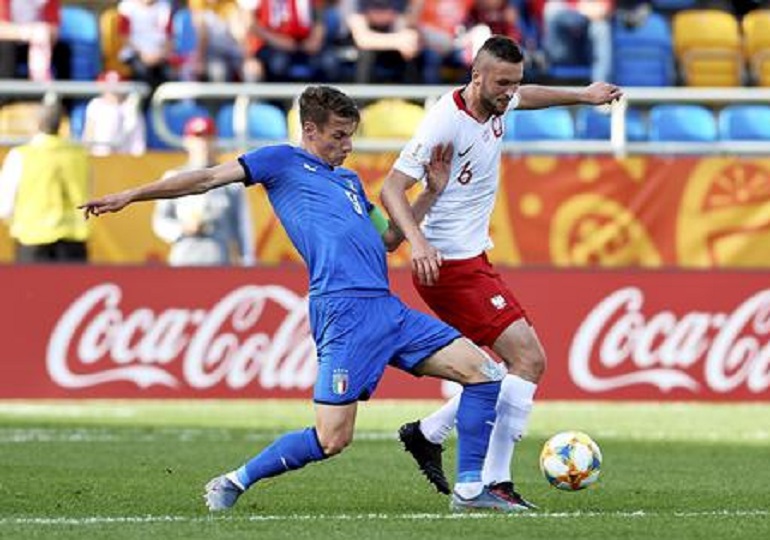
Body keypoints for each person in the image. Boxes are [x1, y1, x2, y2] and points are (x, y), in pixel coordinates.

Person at [79, 85, 524, 513]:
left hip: (388, 309)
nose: (347, 146)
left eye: (350, 135)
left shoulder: (349, 182)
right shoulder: (280, 161)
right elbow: (208, 178)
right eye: (337, 136)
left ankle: (469, 489)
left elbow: (389, 240)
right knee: (333, 439)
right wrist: (131, 195)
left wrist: (431, 190)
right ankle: (234, 481)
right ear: (309, 130)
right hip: (342, 311)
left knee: (484, 373)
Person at [380, 35, 621, 507]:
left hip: (474, 259)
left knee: (501, 369)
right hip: (447, 264)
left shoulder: (499, 101)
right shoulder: (444, 123)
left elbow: (527, 98)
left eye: (515, 82)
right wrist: (420, 241)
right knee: (528, 361)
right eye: (502, 83)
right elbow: (391, 189)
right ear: (477, 77)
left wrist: (583, 94)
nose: (511, 92)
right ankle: (493, 483)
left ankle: (429, 432)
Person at [152, 116, 255, 266]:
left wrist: (247, 260)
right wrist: (182, 229)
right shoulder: (173, 177)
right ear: (187, 142)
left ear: (215, 142)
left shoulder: (231, 180)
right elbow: (160, 221)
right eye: (198, 138)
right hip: (183, 258)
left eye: (208, 138)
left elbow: (242, 226)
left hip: (219, 259)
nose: (203, 144)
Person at [0, 101, 91, 263]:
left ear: (37, 123)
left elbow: (5, 203)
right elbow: (89, 189)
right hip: (73, 237)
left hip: (32, 237)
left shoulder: (22, 155)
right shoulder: (79, 155)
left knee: (32, 288)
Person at [83, 70, 147, 156]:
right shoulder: (95, 105)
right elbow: (89, 134)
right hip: (99, 157)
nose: (113, 93)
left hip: (126, 159)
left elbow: (138, 142)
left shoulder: (131, 108)